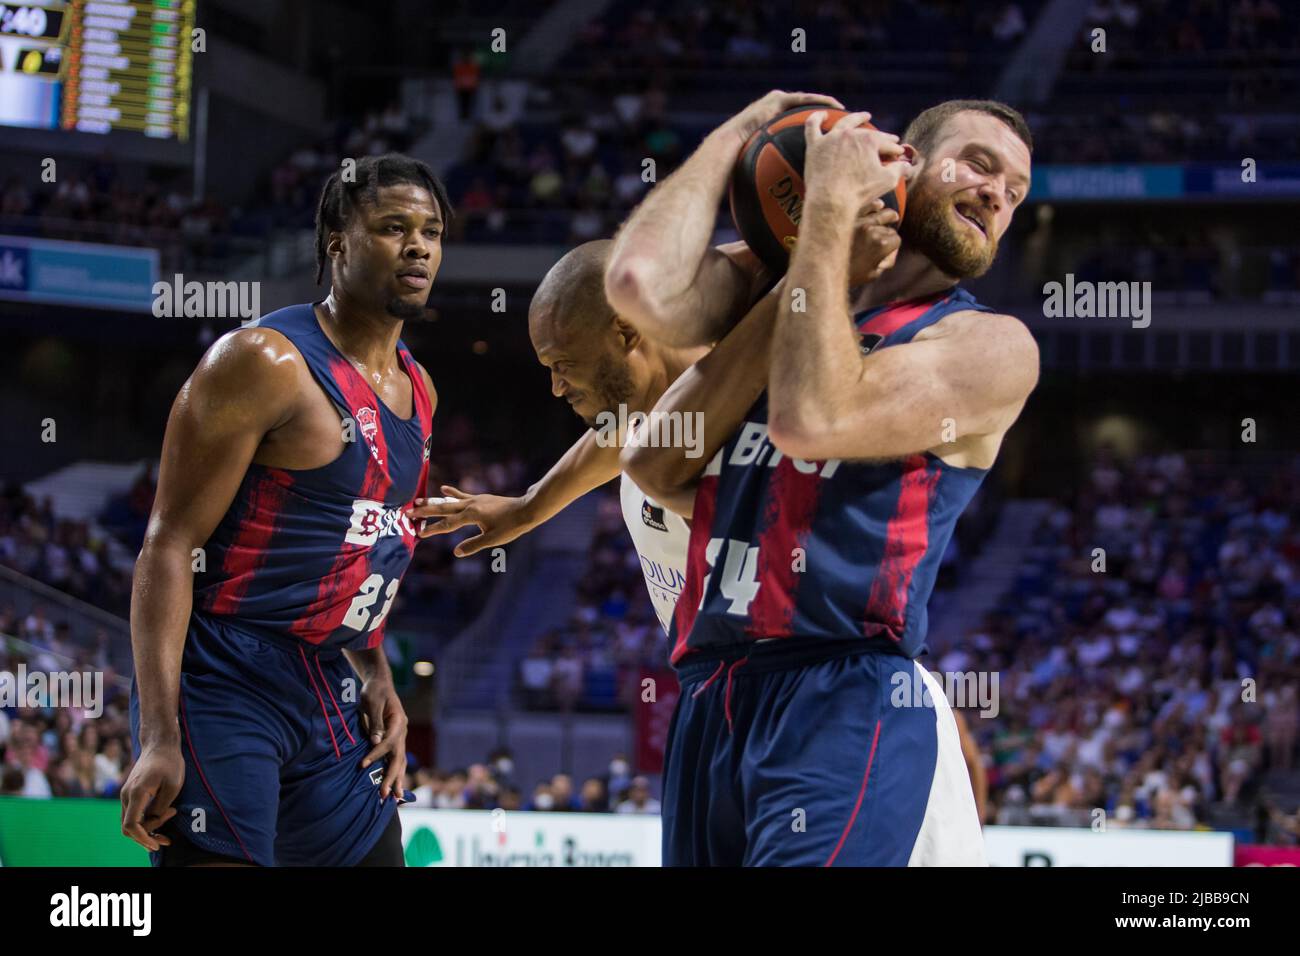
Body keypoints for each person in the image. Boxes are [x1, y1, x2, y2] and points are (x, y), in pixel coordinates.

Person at [610, 93, 1038, 866]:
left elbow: (813, 419)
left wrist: (829, 222)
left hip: (842, 688)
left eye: (1014, 191)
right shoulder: (796, 287)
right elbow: (640, 307)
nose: (997, 194)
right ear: (900, 160)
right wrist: (740, 132)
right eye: (979, 163)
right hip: (711, 691)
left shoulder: (989, 345)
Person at [120, 154, 451, 867]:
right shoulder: (264, 361)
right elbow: (168, 545)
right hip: (224, 677)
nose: (419, 245)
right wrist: (158, 733)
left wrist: (379, 674)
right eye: (394, 227)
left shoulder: (418, 388)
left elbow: (364, 547)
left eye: (431, 230)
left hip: (326, 677)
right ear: (337, 239)